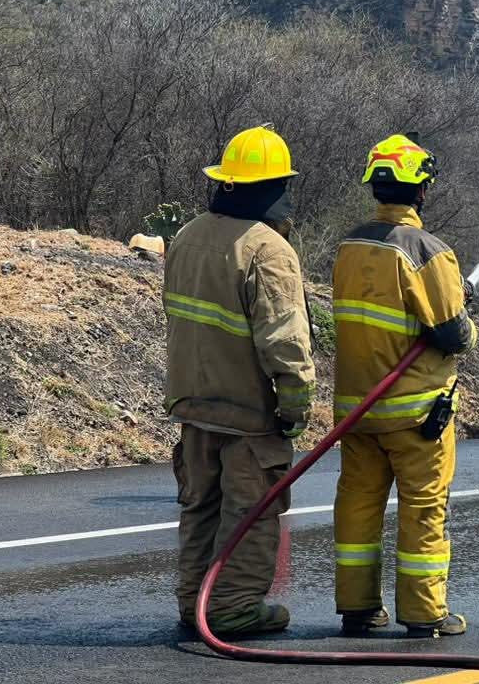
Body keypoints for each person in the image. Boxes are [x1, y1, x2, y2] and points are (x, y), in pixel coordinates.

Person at [164, 124, 316, 636]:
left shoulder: (185, 237)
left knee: (200, 509)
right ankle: (230, 608)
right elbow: (284, 340)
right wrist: (295, 407)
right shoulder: (266, 250)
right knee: (252, 512)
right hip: (251, 412)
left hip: (194, 404)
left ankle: (195, 603)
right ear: (272, 188)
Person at [331, 134, 477, 638]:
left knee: (357, 504)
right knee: (422, 506)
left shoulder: (350, 245)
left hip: (356, 411)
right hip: (416, 416)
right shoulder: (425, 249)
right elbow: (452, 334)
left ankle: (358, 608)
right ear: (421, 190)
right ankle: (424, 613)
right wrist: (466, 314)